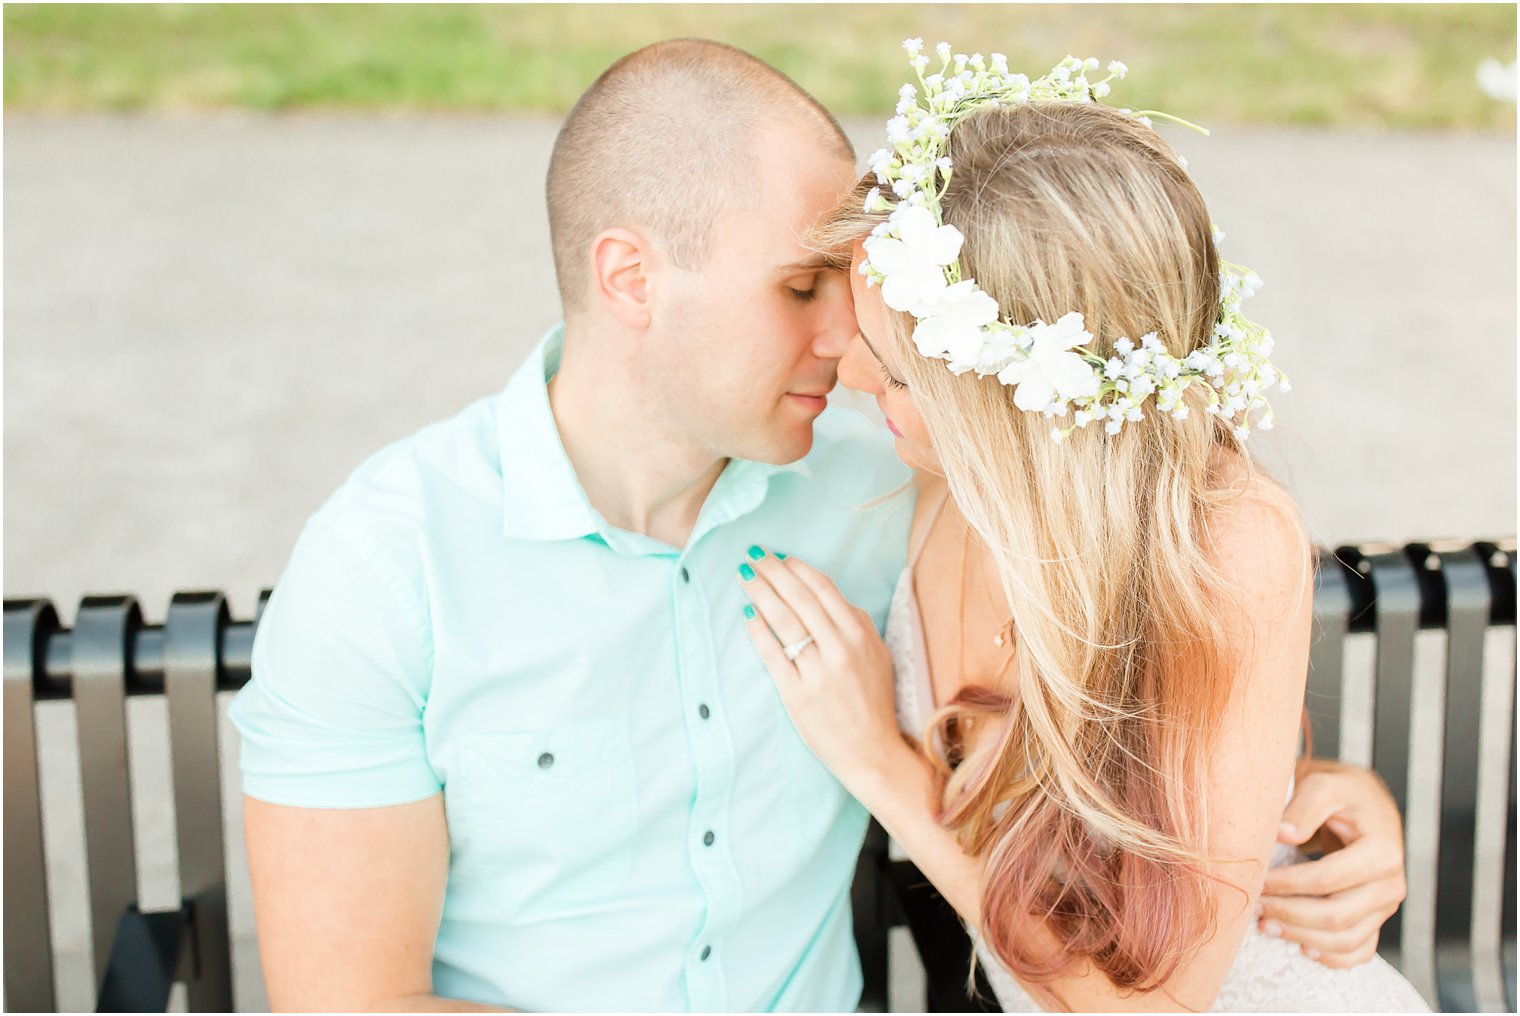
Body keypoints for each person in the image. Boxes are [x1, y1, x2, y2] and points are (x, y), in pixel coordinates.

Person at [231, 38, 1411, 1012]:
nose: (849, 350)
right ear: (630, 278)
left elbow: (1130, 670)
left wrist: (1322, 795)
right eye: (802, 288)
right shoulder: (386, 570)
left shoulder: (895, 475)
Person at [739, 45, 1427, 1011]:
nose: (851, 380)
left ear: (1015, 404)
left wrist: (882, 770)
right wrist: (1327, 784)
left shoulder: (1225, 546)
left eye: (897, 372)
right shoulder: (932, 477)